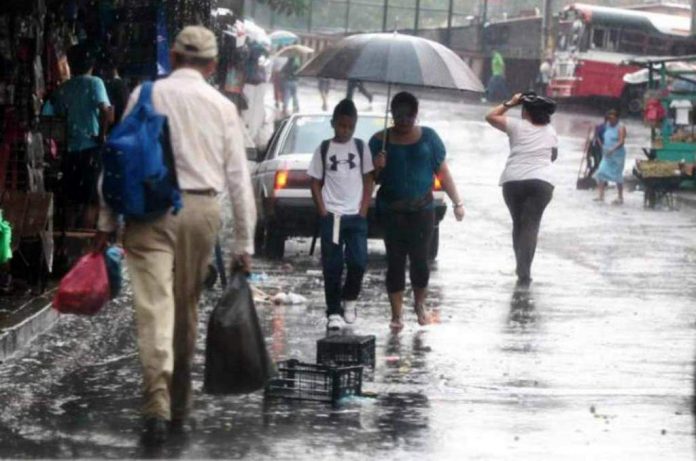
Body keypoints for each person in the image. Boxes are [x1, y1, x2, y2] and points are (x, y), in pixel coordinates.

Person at [94, 26, 256, 445]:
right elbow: (239, 180)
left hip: (149, 210)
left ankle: (157, 405)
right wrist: (244, 244)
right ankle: (179, 404)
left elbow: (118, 158)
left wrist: (106, 222)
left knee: (154, 309)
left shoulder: (145, 94)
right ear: (213, 65)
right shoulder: (222, 106)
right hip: (201, 212)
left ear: (175, 57)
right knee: (185, 311)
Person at [369, 92, 465, 332]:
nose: (404, 120)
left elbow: (442, 172)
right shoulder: (379, 141)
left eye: (409, 116)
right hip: (391, 211)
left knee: (420, 260)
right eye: (399, 116)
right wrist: (377, 167)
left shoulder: (429, 138)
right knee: (395, 260)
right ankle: (397, 314)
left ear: (416, 114)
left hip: (422, 210)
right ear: (392, 114)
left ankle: (420, 305)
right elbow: (371, 180)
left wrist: (457, 202)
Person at [308, 99, 375, 331]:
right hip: (332, 216)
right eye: (341, 126)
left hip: (355, 216)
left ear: (355, 126)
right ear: (333, 123)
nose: (345, 131)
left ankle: (350, 299)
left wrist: (363, 209)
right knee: (332, 265)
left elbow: (369, 179)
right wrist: (323, 210)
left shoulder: (360, 147)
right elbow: (315, 182)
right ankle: (333, 310)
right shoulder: (324, 149)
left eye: (349, 127)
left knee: (358, 261)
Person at [485, 92, 558, 287]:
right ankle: (524, 270)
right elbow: (553, 156)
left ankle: (521, 267)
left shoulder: (516, 126)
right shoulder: (551, 131)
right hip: (542, 183)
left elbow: (490, 116)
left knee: (518, 224)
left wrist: (510, 103)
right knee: (531, 225)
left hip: (513, 181)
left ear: (525, 111)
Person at [43, 43, 112, 229]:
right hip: (90, 149)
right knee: (91, 201)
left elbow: (48, 115)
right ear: (91, 64)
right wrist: (102, 134)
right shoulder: (95, 83)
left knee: (71, 201)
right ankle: (82, 244)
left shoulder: (63, 89)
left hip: (70, 151)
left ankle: (67, 242)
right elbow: (106, 111)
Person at [594, 109, 627, 205]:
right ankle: (601, 196)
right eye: (609, 118)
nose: (610, 120)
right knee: (600, 172)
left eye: (612, 118)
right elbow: (598, 134)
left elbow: (621, 142)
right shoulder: (607, 125)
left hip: (617, 155)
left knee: (617, 175)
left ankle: (620, 197)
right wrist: (601, 144)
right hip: (607, 154)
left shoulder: (621, 127)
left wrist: (612, 149)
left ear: (617, 118)